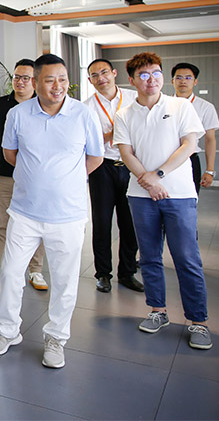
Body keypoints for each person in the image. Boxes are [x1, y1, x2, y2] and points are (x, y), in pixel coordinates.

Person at [0, 54, 104, 369]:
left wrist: (63, 180)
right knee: (10, 273)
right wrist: (37, 177)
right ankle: (7, 331)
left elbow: (95, 158)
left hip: (68, 215)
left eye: (62, 79)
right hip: (25, 212)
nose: (57, 86)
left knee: (64, 280)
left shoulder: (83, 114)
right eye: (50, 80)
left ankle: (56, 338)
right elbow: (10, 154)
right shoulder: (18, 114)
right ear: (36, 82)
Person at [114, 52, 212, 351]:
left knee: (187, 258)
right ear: (132, 80)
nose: (151, 79)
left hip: (179, 194)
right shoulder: (125, 114)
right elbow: (126, 152)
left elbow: (189, 145)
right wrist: (147, 181)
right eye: (144, 75)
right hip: (140, 196)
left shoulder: (180, 106)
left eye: (156, 73)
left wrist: (157, 175)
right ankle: (158, 310)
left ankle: (198, 320)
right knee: (149, 257)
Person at [0, 59, 47, 290]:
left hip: (35, 176)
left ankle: (35, 270)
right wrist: (9, 155)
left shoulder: (42, 105)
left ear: (35, 81)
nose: (20, 82)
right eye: (17, 77)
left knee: (36, 223)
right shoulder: (0, 104)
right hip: (4, 173)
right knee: (0, 223)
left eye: (25, 78)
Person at [83, 59, 143, 294]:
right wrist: (113, 134)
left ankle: (127, 272)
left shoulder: (134, 98)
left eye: (104, 72)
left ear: (114, 73)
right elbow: (87, 141)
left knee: (130, 222)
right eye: (95, 75)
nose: (101, 78)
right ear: (90, 80)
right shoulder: (87, 107)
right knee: (101, 222)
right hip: (102, 167)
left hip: (131, 165)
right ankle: (103, 274)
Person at [170, 62, 219, 193]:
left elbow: (210, 139)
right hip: (165, 158)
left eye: (188, 78)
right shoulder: (162, 104)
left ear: (195, 81)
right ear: (172, 81)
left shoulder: (206, 107)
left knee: (190, 199)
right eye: (179, 77)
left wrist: (209, 170)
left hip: (190, 159)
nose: (183, 81)